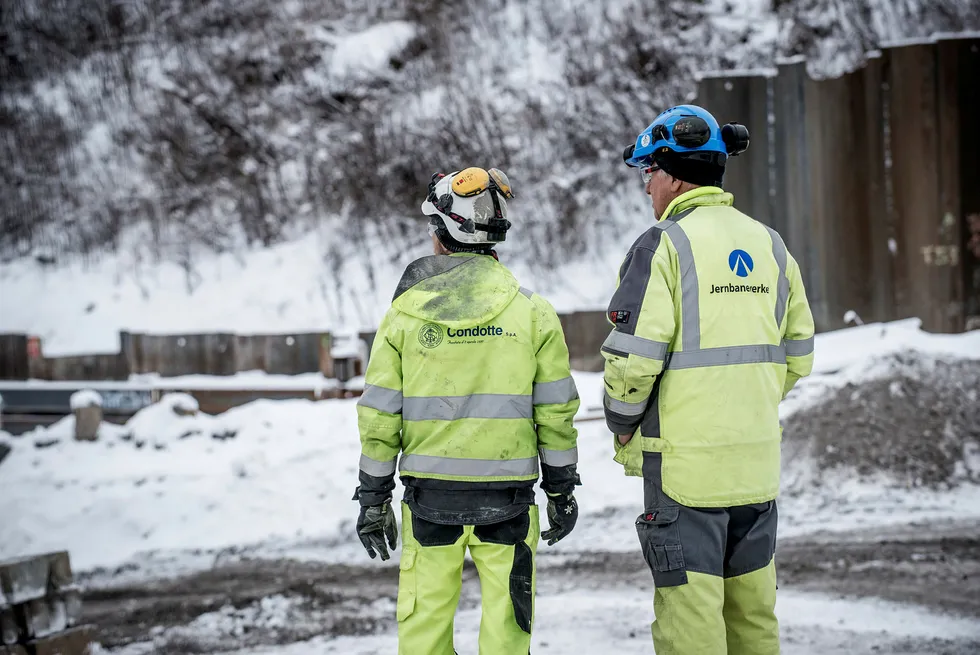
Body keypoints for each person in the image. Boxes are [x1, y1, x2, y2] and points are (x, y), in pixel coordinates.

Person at [604, 105, 815, 654]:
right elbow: (798, 354)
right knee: (753, 619)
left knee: (691, 623)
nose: (646, 187)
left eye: (647, 173)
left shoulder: (663, 245)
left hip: (686, 475)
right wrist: (744, 403)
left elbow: (632, 358)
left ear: (672, 175)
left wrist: (622, 424)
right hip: (756, 468)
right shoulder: (770, 245)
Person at [353, 167, 581, 655]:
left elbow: (379, 416)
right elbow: (555, 412)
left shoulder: (404, 314)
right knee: (506, 634)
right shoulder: (533, 312)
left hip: (430, 502)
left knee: (424, 634)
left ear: (440, 235)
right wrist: (561, 488)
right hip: (510, 503)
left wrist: (374, 496)